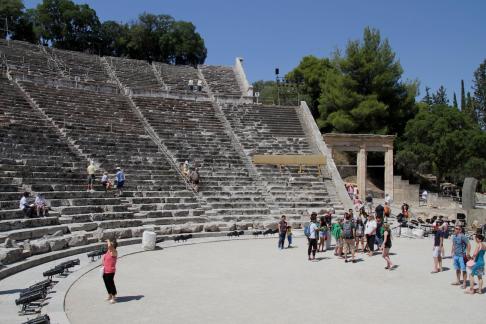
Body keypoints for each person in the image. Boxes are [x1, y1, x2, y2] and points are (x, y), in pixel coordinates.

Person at [451, 225, 471, 289]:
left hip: (462, 256)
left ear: (460, 230)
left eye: (457, 229)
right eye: (455, 228)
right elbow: (454, 244)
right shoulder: (454, 236)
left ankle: (464, 283)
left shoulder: (463, 236)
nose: (455, 229)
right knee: (457, 268)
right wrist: (452, 252)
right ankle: (458, 281)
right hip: (456, 255)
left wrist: (467, 253)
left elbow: (468, 244)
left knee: (463, 269)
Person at [102, 239, 118, 304]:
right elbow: (105, 257)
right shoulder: (109, 251)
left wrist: (108, 240)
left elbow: (109, 247)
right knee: (106, 283)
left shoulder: (114, 251)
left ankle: (114, 298)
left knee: (111, 284)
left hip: (111, 271)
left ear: (113, 245)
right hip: (105, 270)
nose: (109, 245)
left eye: (111, 244)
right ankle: (110, 295)